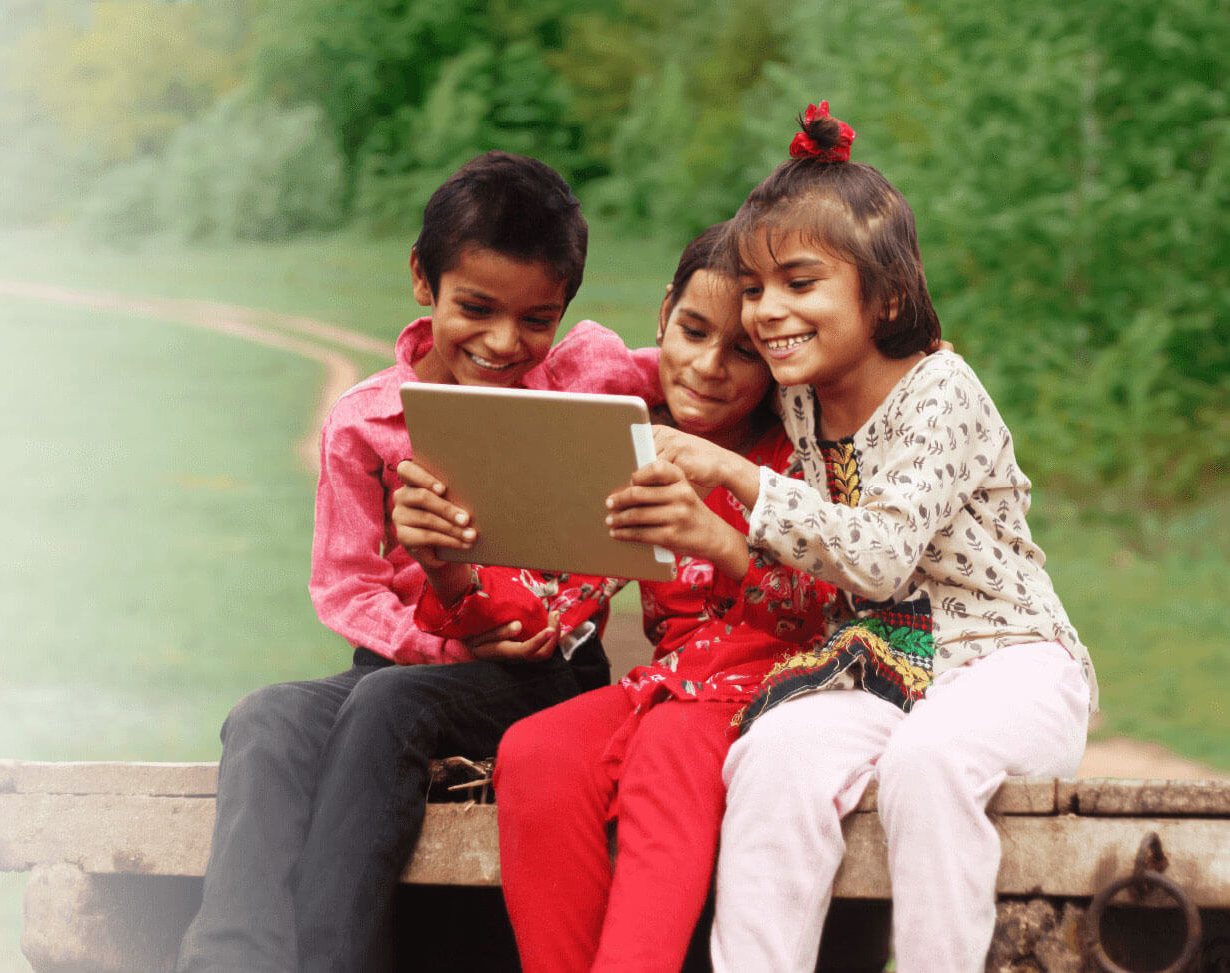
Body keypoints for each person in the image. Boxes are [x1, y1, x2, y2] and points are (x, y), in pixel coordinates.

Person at [626, 102, 1099, 972]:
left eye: (799, 284)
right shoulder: (801, 390)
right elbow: (663, 361)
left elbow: (878, 557)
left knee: (929, 763)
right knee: (771, 754)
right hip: (888, 665)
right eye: (756, 287)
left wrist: (733, 474)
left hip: (1010, 661)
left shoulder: (939, 391)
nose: (767, 312)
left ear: (883, 296)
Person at [174, 151, 661, 973]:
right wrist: (445, 647)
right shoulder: (367, 423)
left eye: (536, 319)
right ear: (421, 281)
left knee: (389, 706)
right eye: (476, 307)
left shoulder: (583, 379)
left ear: (562, 312)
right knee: (264, 715)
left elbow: (695, 366)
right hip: (404, 664)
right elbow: (347, 586)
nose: (505, 342)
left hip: (546, 671)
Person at [392, 223, 841, 972]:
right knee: (532, 750)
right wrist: (446, 566)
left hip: (782, 690)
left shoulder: (800, 451)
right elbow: (544, 611)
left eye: (743, 351)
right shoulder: (630, 443)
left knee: (666, 752)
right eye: (693, 331)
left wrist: (720, 541)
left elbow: (830, 613)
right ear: (664, 313)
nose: (706, 367)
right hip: (667, 688)